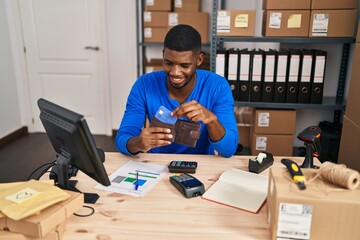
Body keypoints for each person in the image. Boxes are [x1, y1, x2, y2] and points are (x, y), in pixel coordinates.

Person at [115, 24, 238, 158]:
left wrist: (211, 120)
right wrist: (137, 143)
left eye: (184, 65)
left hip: (200, 165)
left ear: (199, 60)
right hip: (156, 164)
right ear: (163, 54)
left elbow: (229, 149)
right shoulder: (144, 85)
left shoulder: (217, 86)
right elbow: (122, 138)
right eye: (168, 63)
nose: (175, 72)